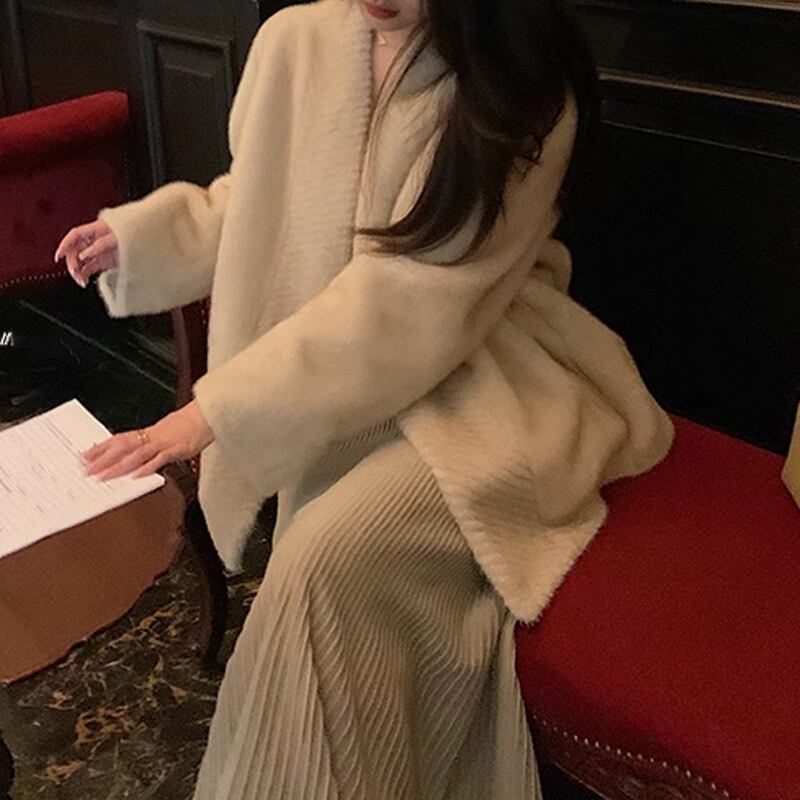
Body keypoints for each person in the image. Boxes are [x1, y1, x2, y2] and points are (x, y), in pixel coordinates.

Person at [55, 0, 675, 797]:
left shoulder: (523, 86)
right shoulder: (295, 41)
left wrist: (216, 412)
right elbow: (255, 199)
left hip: (488, 383)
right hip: (326, 385)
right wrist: (143, 238)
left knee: (322, 559)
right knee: (314, 571)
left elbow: (414, 303)